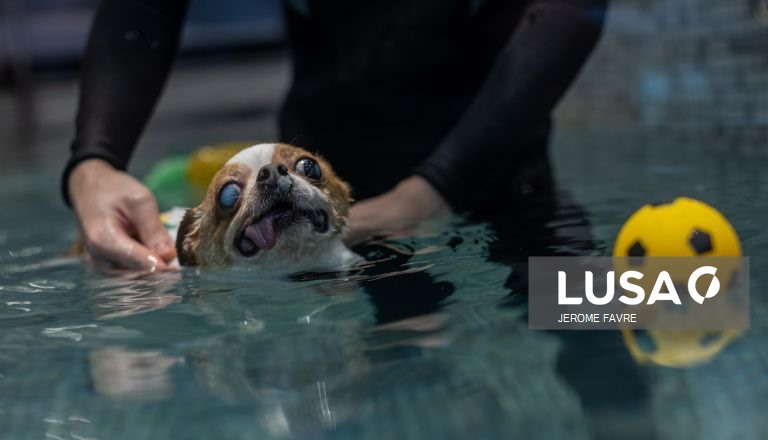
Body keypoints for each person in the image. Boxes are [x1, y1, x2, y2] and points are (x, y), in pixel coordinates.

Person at [63, 0, 608, 271]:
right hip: (319, 218)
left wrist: (428, 193)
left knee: (607, 320)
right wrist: (95, 164)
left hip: (498, 177)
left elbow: (572, 9)